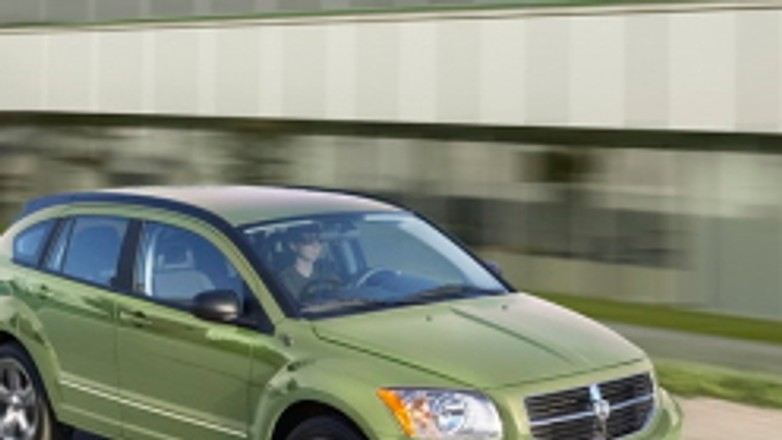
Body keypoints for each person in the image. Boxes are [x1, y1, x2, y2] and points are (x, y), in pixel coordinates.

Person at [277, 225, 340, 302]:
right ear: (293, 246)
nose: (316, 246)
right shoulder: (285, 279)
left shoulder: (326, 272)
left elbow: (340, 295)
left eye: (319, 241)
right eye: (309, 241)